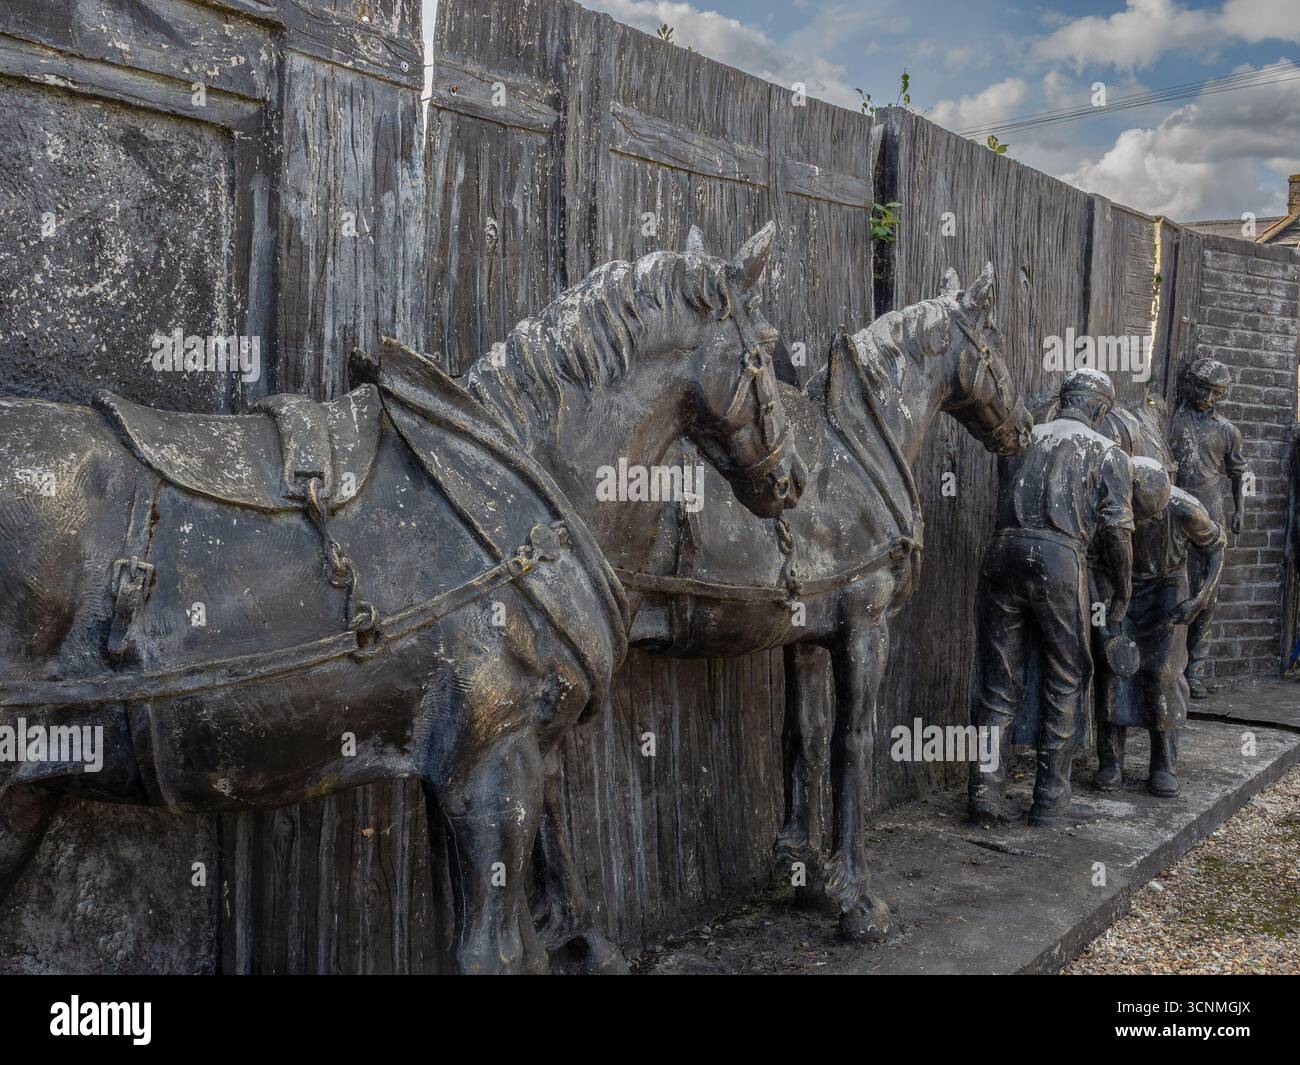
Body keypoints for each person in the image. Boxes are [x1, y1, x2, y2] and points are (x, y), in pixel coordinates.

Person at [969, 369, 1134, 828]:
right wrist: (1122, 588)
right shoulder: (1107, 452)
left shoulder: (1022, 438)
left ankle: (984, 795)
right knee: (1066, 677)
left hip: (1003, 552)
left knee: (998, 684)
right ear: (1101, 410)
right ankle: (1049, 799)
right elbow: (1119, 532)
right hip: (1060, 559)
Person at [1093, 458, 1225, 797]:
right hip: (1117, 586)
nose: (1146, 521)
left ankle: (1164, 764)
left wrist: (1200, 598)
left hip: (1168, 586)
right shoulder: (1105, 502)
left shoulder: (1185, 508)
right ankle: (1110, 762)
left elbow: (1216, 548)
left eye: (1152, 514)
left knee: (1164, 673)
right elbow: (1091, 560)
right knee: (1113, 668)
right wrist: (1102, 609)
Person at [1169, 357, 1248, 697]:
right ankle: (1166, 669)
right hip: (1173, 513)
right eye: (1203, 388)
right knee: (1170, 586)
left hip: (1210, 513)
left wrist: (1239, 511)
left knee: (1207, 592)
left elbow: (1238, 474)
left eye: (1216, 393)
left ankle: (1195, 671)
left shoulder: (1228, 431)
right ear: (1191, 384)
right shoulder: (1172, 421)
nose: (1208, 397)